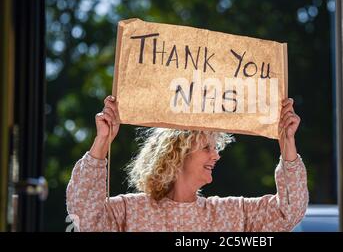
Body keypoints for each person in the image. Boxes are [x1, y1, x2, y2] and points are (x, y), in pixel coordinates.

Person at [66, 95, 309, 231]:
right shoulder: (130, 211)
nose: (216, 156)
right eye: (207, 148)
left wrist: (287, 142)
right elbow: (84, 216)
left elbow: (288, 212)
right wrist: (102, 141)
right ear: (176, 154)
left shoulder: (230, 214)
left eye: (216, 148)